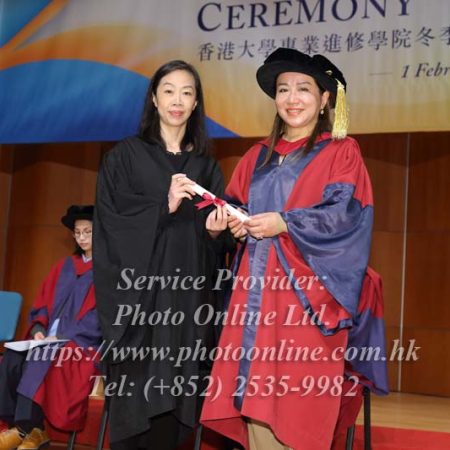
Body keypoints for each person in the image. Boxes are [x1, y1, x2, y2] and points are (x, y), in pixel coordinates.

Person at [200, 48, 389, 449]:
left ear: (324, 99)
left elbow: (346, 215)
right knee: (254, 396)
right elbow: (238, 207)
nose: (292, 98)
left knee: (298, 400)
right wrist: (227, 224)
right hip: (255, 294)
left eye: (304, 88)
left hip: (309, 298)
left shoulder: (341, 151)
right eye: (283, 89)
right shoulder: (257, 156)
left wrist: (285, 222)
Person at [93, 60, 230, 450]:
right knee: (136, 415)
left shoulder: (205, 166)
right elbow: (110, 223)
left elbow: (217, 248)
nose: (177, 100)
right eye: (169, 91)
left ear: (196, 103)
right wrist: (162, 206)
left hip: (185, 307)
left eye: (187, 93)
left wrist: (215, 233)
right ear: (154, 98)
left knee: (173, 419)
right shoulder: (125, 156)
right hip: (140, 307)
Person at [0, 205, 102, 450]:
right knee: (13, 355)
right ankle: (24, 428)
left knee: (42, 354)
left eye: (88, 232)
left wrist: (64, 336)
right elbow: (41, 304)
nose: (82, 237)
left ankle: (25, 429)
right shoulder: (64, 266)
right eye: (78, 232)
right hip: (48, 339)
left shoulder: (107, 272)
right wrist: (38, 328)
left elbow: (101, 319)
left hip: (81, 344)